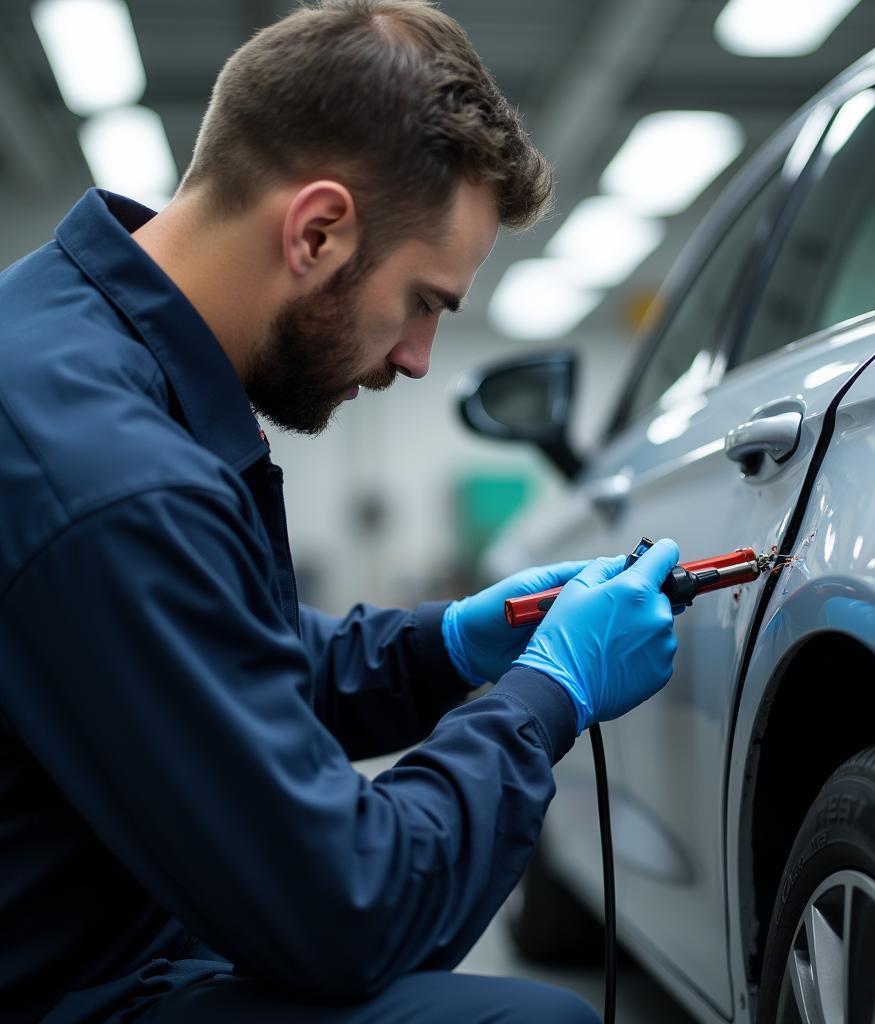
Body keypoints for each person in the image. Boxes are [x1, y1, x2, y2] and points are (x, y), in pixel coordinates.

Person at [0, 2, 681, 1021]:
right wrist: (546, 696)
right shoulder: (119, 480)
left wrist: (445, 648)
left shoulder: (66, 340)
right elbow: (350, 911)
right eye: (424, 302)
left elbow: (219, 668)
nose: (416, 359)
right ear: (316, 232)